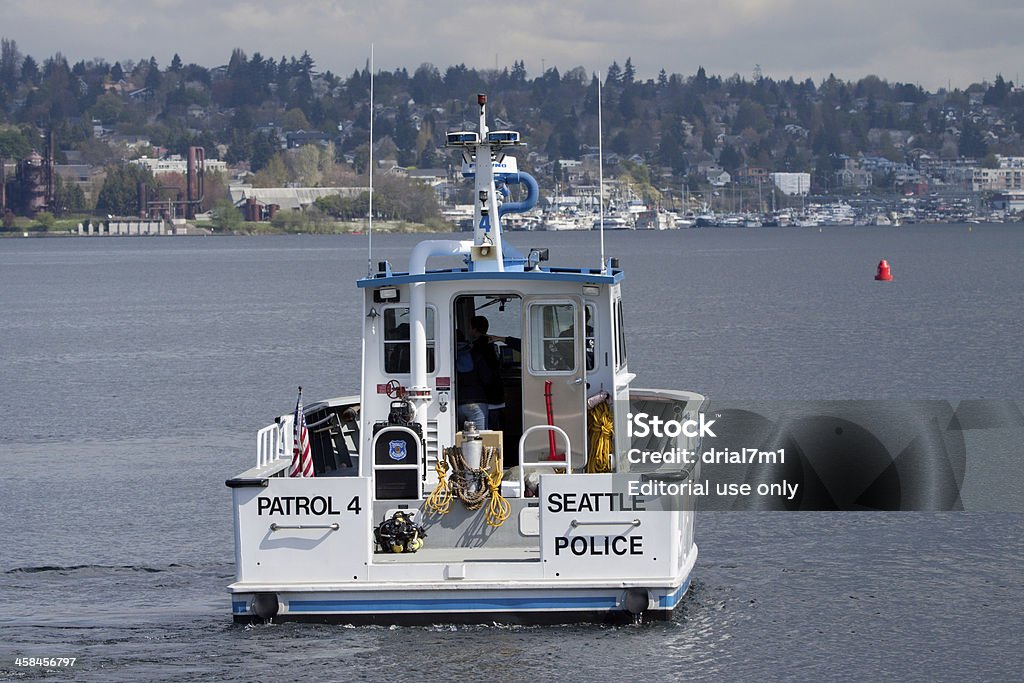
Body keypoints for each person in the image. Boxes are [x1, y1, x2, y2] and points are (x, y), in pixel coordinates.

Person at [456, 316, 503, 430]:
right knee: (480, 437)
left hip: (457, 401)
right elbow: (487, 377)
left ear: (474, 328)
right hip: (480, 400)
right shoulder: (481, 351)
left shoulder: (452, 355)